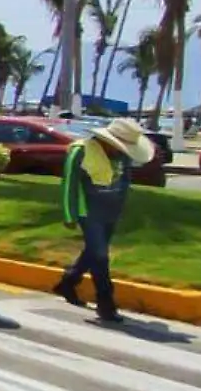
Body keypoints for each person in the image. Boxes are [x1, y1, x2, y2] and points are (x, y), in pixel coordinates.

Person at [56, 118, 154, 326]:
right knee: (100, 256)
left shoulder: (122, 156)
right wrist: (69, 215)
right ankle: (106, 303)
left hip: (111, 210)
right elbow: (69, 185)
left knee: (93, 252)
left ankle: (68, 282)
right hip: (88, 211)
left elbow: (125, 181)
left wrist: (122, 207)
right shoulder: (80, 151)